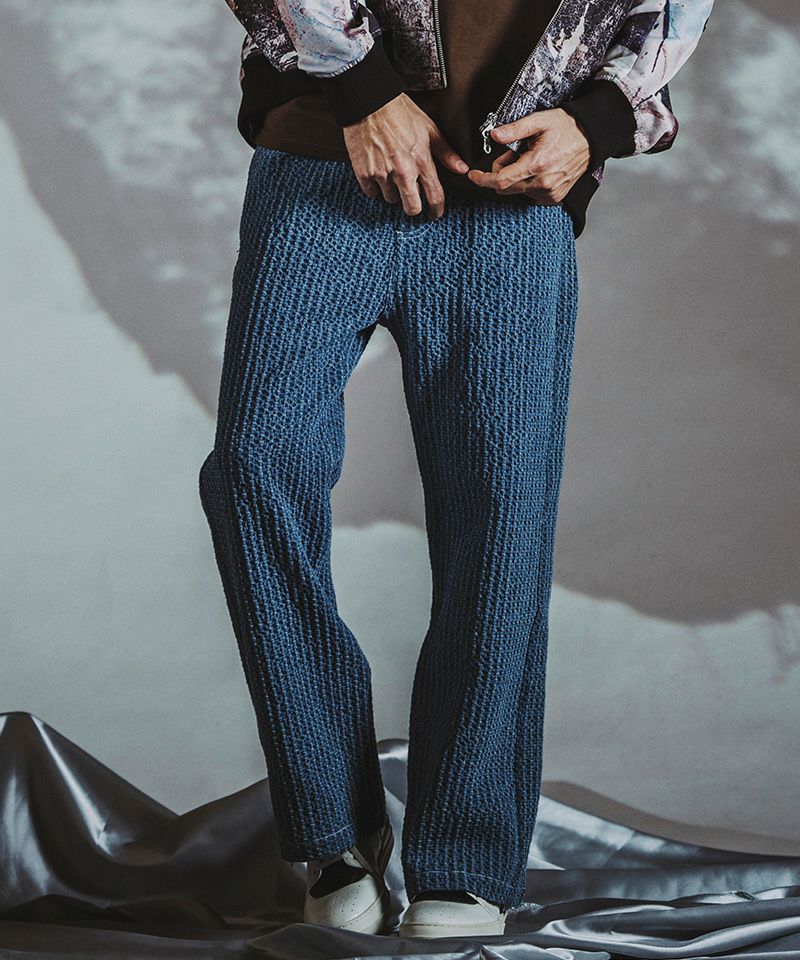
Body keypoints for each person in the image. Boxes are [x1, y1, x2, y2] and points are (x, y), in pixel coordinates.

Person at [199, 0, 715, 939]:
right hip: (325, 156)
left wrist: (596, 121)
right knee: (252, 468)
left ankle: (465, 859)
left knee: (502, 516)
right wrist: (363, 90)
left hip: (511, 188)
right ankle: (333, 836)